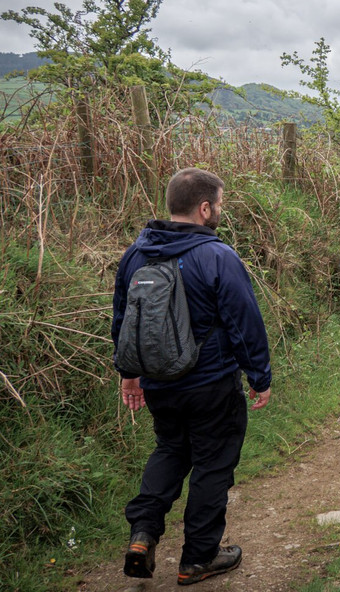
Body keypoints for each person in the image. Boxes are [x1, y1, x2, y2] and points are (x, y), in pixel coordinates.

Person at [112, 168, 272, 586]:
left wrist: (130, 374)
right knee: (212, 465)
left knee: (169, 451)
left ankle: (143, 535)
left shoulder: (135, 255)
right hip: (211, 384)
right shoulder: (217, 255)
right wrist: (259, 374)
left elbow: (123, 321)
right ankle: (199, 558)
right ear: (204, 208)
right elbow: (244, 322)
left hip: (158, 383)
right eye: (219, 203)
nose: (220, 209)